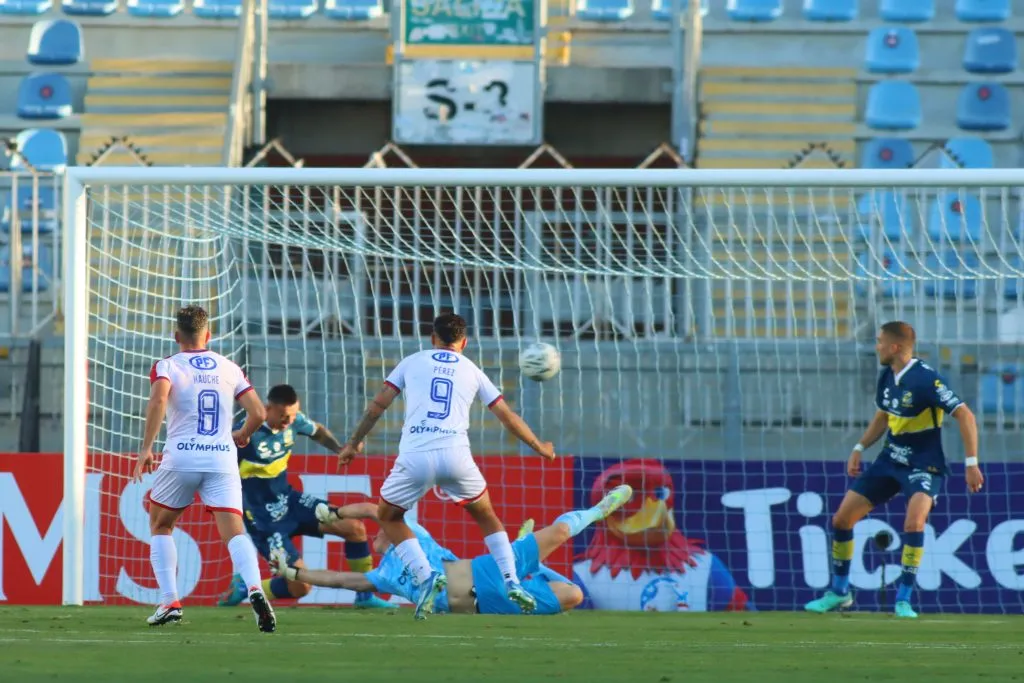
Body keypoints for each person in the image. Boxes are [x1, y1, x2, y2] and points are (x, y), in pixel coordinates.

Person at [333, 312, 556, 619]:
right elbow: (506, 416)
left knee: (388, 516)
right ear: (464, 342)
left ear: (432, 338)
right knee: (486, 515)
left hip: (415, 456)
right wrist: (539, 447)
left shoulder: (412, 361)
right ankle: (511, 580)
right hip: (456, 456)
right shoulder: (472, 370)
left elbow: (377, 406)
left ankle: (426, 577)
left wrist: (353, 442)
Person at [805, 321, 983, 619]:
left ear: (895, 347)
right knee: (842, 520)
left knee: (914, 524)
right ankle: (839, 592)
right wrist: (860, 447)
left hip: (924, 463)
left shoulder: (926, 380)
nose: (876, 347)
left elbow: (965, 416)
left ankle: (903, 600)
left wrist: (971, 463)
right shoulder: (887, 375)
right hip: (889, 459)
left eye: (880, 342)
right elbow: (884, 415)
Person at [273, 485, 634, 616]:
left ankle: (598, 510)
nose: (375, 535)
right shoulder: (382, 576)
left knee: (559, 531)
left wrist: (334, 513)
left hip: (486, 571)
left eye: (380, 530)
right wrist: (293, 572)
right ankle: (532, 567)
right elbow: (338, 579)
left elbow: (371, 508)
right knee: (573, 595)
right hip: (488, 605)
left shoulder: (414, 533)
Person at [136, 304, 275, 632]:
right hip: (221, 458)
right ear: (208, 335)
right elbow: (258, 413)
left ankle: (170, 601)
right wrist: (243, 433)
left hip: (182, 456)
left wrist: (146, 448)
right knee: (235, 531)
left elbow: (158, 401)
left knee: (161, 524)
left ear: (176, 336)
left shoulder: (168, 365)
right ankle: (255, 588)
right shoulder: (230, 367)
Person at [217, 384, 390, 609]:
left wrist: (339, 449)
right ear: (268, 409)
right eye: (283, 416)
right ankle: (246, 588)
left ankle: (364, 598)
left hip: (290, 501)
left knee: (354, 528)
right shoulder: (245, 434)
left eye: (292, 415)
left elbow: (317, 430)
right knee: (302, 587)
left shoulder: (295, 420)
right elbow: (219, 464)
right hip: (263, 519)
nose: (289, 421)